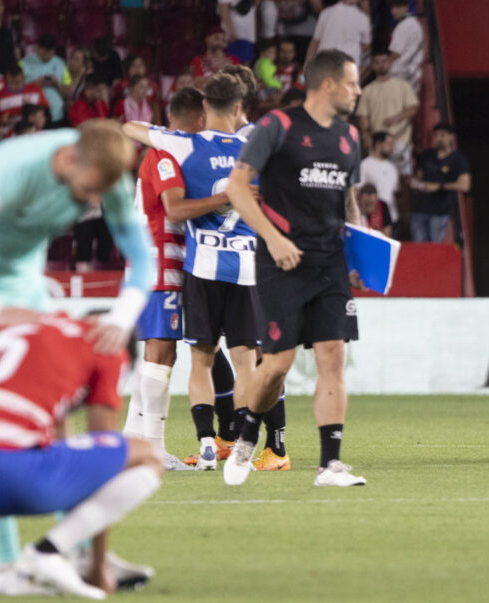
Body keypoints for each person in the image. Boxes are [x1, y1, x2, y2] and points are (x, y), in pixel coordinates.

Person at [0, 120, 156, 596]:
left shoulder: (105, 170)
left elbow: (142, 257)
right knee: (3, 421)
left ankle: (75, 551)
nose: (95, 203)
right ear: (68, 162)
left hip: (25, 279)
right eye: (90, 191)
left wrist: (121, 318)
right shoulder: (9, 171)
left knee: (57, 408)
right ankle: (3, 568)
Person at [0, 312, 162, 599]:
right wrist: (98, 568)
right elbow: (104, 447)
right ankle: (47, 552)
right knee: (147, 456)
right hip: (5, 473)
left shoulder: (26, 331)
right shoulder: (108, 342)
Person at [123, 73, 287, 471]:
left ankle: (196, 441)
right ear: (235, 108)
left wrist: (160, 129)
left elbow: (129, 126)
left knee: (196, 359)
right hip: (223, 266)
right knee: (232, 358)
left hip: (198, 266)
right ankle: (244, 445)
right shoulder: (255, 147)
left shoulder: (179, 145)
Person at [222, 49, 365, 487]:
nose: (358, 91)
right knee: (277, 365)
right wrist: (273, 238)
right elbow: (236, 187)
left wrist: (360, 246)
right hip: (281, 262)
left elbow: (349, 199)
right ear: (327, 84)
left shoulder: (350, 138)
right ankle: (248, 436)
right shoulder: (276, 127)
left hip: (330, 263)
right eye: (352, 83)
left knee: (333, 357)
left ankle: (330, 464)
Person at [120, 87, 202, 471]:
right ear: (200, 118)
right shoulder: (166, 155)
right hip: (160, 264)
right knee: (162, 352)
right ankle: (152, 447)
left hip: (152, 264)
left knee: (156, 354)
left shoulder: (162, 151)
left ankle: (132, 438)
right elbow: (175, 208)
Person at [356, 51, 418, 177]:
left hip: (400, 141)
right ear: (372, 66)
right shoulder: (367, 90)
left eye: (384, 61)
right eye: (377, 62)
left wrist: (396, 118)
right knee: (376, 178)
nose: (381, 65)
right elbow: (363, 116)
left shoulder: (403, 85)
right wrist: (365, 135)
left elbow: (413, 108)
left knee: (402, 180)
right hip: (378, 143)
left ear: (390, 63)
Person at [410, 123, 471, 242]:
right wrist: (416, 184)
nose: (439, 139)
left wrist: (439, 186)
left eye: (442, 135)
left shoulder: (458, 159)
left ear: (450, 137)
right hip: (420, 209)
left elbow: (465, 185)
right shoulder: (427, 155)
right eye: (436, 136)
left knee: (435, 247)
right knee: (418, 247)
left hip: (440, 211)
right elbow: (418, 177)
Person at [20, 33, 70, 124]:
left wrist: (56, 83)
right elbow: (15, 89)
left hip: (57, 114)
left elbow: (68, 92)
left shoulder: (61, 63)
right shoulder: (23, 63)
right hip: (33, 118)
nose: (47, 56)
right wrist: (34, 83)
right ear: (38, 48)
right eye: (44, 52)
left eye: (50, 53)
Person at [305, 0, 370, 70]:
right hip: (347, 66)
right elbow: (366, 45)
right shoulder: (362, 17)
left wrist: (307, 65)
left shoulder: (325, 13)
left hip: (325, 63)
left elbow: (314, 42)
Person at [358, 131, 399, 222]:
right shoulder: (365, 164)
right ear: (378, 144)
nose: (391, 147)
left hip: (391, 217)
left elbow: (394, 192)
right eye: (388, 144)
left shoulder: (392, 167)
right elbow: (358, 190)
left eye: (392, 144)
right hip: (371, 217)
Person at [388, 0, 423, 91]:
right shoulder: (414, 24)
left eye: (398, 8)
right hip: (410, 75)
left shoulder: (404, 26)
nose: (394, 11)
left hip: (400, 76)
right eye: (392, 8)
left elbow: (395, 54)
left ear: (406, 7)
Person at [219, 0, 258, 64]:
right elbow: (223, 8)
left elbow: (255, 3)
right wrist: (230, 31)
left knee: (245, 66)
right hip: (235, 34)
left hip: (248, 33)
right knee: (232, 65)